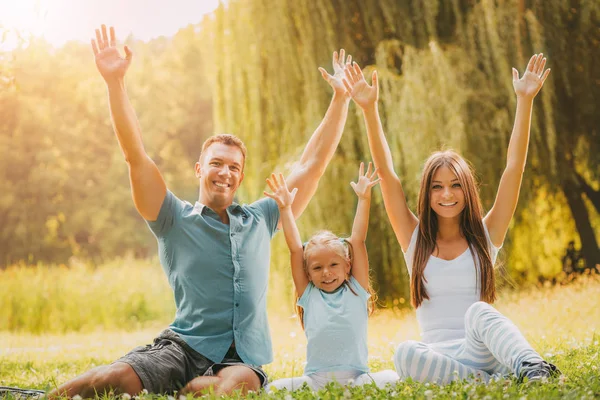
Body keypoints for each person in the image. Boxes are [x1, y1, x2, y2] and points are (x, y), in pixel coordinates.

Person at [49, 25, 354, 397]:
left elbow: (312, 165)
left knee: (235, 385)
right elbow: (135, 155)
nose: (225, 172)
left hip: (241, 357)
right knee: (113, 381)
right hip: (182, 348)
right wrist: (115, 83)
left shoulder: (262, 218)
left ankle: (183, 390)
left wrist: (340, 100)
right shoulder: (171, 218)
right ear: (199, 169)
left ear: (240, 178)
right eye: (216, 163)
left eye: (234, 168)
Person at [342, 54, 560, 384]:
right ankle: (491, 382)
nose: (447, 195)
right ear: (427, 194)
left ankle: (533, 367)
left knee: (480, 311)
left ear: (468, 189)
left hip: (480, 347)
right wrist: (369, 111)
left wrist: (525, 100)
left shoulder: (486, 237)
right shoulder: (413, 240)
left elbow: (513, 169)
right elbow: (387, 175)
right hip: (437, 356)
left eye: (456, 185)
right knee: (404, 353)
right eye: (438, 187)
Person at [263, 163, 399, 391]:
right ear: (308, 273)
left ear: (348, 266)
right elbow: (296, 249)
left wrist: (364, 199)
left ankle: (350, 393)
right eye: (317, 268)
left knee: (393, 379)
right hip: (316, 381)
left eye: (334, 265)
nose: (326, 272)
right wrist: (285, 209)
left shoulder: (357, 289)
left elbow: (358, 239)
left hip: (358, 379)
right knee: (272, 390)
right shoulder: (309, 295)